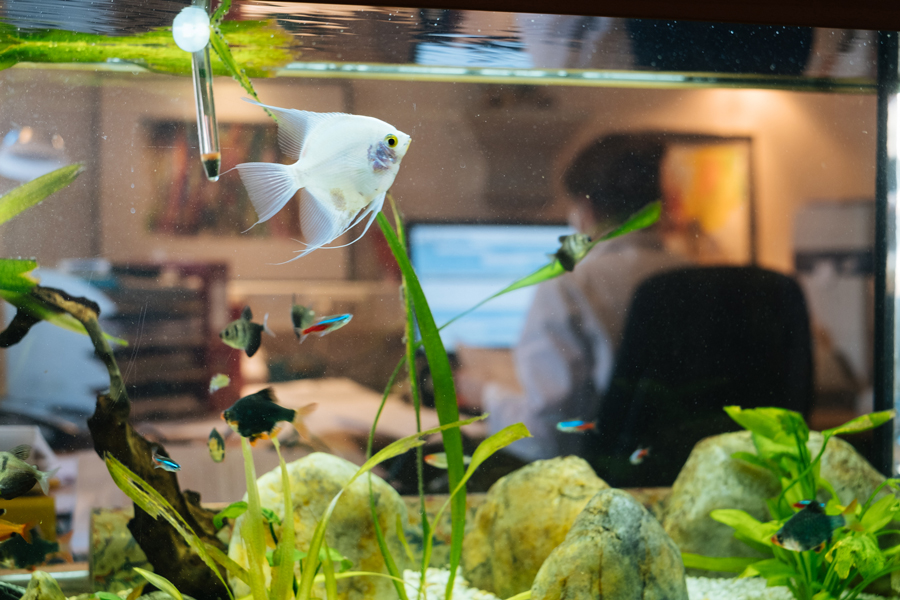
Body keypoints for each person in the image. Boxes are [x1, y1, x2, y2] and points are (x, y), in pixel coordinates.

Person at [476, 133, 689, 461]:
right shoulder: (700, 276)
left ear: (584, 208)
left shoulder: (569, 286)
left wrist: (485, 394)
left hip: (602, 478)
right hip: (691, 469)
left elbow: (547, 436)